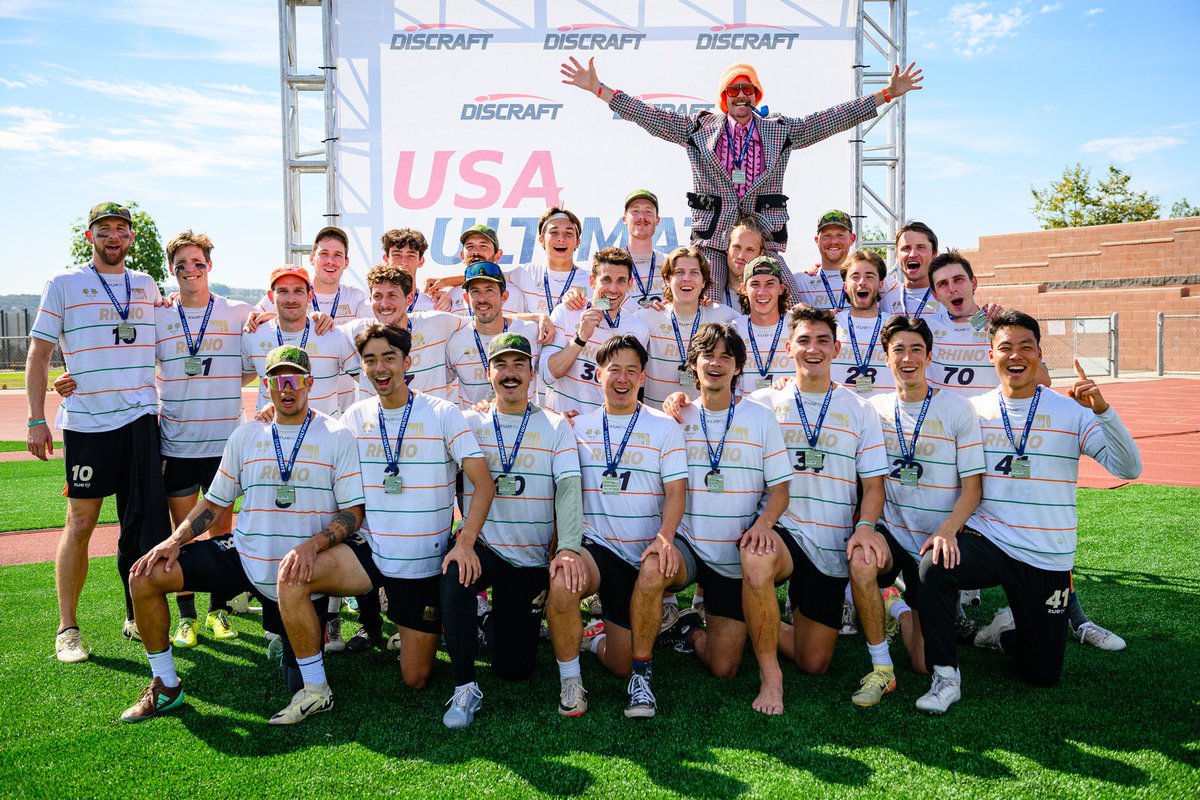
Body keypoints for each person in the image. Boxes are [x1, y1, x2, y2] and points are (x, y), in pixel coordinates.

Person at [117, 345, 366, 722]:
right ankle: (166, 686)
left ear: (310, 383)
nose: (287, 387)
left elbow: (353, 513)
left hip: (299, 572)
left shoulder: (337, 435)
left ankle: (304, 668)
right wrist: (174, 540)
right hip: (245, 556)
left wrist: (313, 546)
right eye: (278, 379)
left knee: (296, 677)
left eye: (295, 378)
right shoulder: (245, 436)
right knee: (144, 575)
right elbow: (214, 504)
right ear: (265, 385)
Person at [915, 311, 1142, 713]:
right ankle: (946, 676)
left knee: (1042, 674)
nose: (1014, 355)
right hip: (988, 538)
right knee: (935, 565)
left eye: (1024, 347)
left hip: (1044, 553)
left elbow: (1128, 469)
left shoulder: (1072, 412)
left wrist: (1103, 410)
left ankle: (1003, 631)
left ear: (1039, 353)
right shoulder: (973, 411)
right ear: (990, 355)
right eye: (1005, 347)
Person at [267, 324, 492, 723]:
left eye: (389, 357)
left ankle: (430, 623)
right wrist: (277, 412)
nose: (379, 367)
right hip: (368, 552)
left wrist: (465, 541)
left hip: (423, 561)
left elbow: (483, 484)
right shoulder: (354, 417)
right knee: (294, 575)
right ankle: (316, 687)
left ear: (407, 362)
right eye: (370, 359)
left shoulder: (442, 413)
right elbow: (311, 428)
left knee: (416, 678)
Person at [560, 57, 923, 302]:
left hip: (762, 238)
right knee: (709, 312)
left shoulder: (780, 131)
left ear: (757, 96)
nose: (741, 96)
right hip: (714, 240)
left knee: (794, 307)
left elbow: (830, 120)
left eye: (748, 90)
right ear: (724, 98)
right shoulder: (698, 129)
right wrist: (600, 89)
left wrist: (886, 93)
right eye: (734, 90)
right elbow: (648, 115)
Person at [26, 202, 173, 662]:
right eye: (104, 230)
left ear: (130, 238)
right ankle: (68, 628)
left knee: (142, 525)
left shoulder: (147, 285)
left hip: (141, 419)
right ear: (90, 236)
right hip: (89, 422)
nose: (114, 237)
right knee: (82, 522)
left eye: (121, 230)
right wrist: (36, 417)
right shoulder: (64, 283)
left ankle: (135, 612)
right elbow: (38, 353)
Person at [545, 335, 687, 719]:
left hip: (641, 555)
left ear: (643, 377)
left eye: (631, 371)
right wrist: (565, 546)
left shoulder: (664, 426)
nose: (622, 379)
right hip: (596, 548)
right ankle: (570, 681)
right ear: (598, 375)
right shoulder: (575, 427)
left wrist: (664, 538)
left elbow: (676, 492)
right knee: (562, 579)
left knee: (621, 662)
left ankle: (597, 643)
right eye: (614, 370)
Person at [447, 332, 582, 725]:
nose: (510, 374)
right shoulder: (468, 421)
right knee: (455, 574)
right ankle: (464, 688)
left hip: (530, 558)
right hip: (483, 546)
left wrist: (567, 547)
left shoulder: (556, 426)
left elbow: (569, 490)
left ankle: (488, 619)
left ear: (531, 373)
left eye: (518, 365)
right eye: (501, 365)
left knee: (515, 669)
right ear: (488, 374)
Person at [849, 316, 984, 707]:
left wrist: (947, 530)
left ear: (929, 355)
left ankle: (896, 605)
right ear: (886, 357)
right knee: (861, 559)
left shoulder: (957, 410)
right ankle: (880, 667)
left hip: (934, 539)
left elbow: (973, 489)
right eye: (898, 350)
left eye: (916, 350)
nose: (907, 358)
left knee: (925, 664)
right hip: (892, 532)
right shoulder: (871, 408)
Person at [660, 323, 794, 714]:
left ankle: (692, 629)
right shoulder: (676, 416)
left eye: (726, 357)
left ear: (738, 368)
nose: (716, 363)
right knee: (650, 568)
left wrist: (763, 524)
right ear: (694, 363)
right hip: (688, 545)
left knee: (723, 667)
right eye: (708, 355)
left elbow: (781, 491)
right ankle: (638, 663)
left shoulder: (760, 417)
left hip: (733, 557)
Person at [749, 305, 889, 676]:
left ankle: (749, 613)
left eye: (823, 341)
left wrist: (865, 527)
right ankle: (768, 669)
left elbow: (874, 486)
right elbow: (711, 410)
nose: (814, 349)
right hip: (783, 528)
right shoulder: (763, 403)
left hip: (830, 541)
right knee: (758, 559)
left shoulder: (861, 409)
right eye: (804, 340)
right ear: (788, 348)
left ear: (836, 349)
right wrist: (676, 402)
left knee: (814, 662)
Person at [543, 247, 651, 415]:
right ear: (592, 282)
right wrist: (580, 338)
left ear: (630, 284)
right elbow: (547, 374)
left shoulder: (638, 327)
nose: (613, 289)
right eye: (606, 280)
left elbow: (634, 387)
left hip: (607, 429)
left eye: (621, 281)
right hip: (565, 423)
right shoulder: (566, 312)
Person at [242, 265, 361, 418]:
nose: (291, 299)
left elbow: (366, 381)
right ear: (271, 296)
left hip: (324, 436)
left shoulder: (333, 335)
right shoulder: (253, 335)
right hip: (273, 435)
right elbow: (243, 376)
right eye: (283, 291)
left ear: (310, 295)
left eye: (298, 291)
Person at [635, 245, 737, 408]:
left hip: (703, 421)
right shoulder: (648, 317)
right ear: (667, 280)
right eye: (679, 272)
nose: (686, 278)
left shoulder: (724, 317)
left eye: (694, 273)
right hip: (658, 421)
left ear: (704, 281)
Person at [447, 262, 541, 409]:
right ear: (466, 299)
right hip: (474, 430)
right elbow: (441, 385)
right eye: (475, 291)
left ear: (504, 297)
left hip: (526, 429)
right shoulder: (455, 341)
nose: (482, 299)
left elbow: (553, 376)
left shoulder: (531, 332)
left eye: (489, 290)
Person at [926, 250, 1002, 397]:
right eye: (942, 284)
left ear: (973, 283)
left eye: (958, 279)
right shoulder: (926, 328)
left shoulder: (997, 324)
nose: (952, 288)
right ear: (935, 295)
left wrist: (1007, 327)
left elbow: (1043, 380)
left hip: (988, 418)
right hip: (946, 418)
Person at [506, 208, 592, 317]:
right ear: (542, 240)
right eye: (554, 232)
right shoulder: (527, 273)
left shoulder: (591, 280)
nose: (561, 238)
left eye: (568, 233)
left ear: (577, 242)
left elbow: (609, 306)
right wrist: (537, 318)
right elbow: (488, 278)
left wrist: (588, 303)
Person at [831, 249, 893, 398]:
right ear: (845, 286)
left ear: (880, 285)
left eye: (869, 276)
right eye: (855, 276)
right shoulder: (830, 324)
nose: (862, 282)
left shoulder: (896, 326)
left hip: (885, 417)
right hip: (841, 416)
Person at [732, 256, 794, 395]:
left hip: (790, 414)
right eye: (755, 284)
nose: (762, 292)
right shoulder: (734, 329)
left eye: (770, 284)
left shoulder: (799, 326)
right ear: (743, 289)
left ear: (781, 288)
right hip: (746, 414)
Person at [793, 210, 856, 310]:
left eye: (840, 235)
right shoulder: (799, 282)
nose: (834, 241)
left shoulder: (867, 279)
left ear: (852, 239)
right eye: (827, 235)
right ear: (817, 240)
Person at [881, 221, 942, 321]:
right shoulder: (884, 298)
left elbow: (976, 323)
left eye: (921, 247)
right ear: (896, 255)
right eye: (906, 248)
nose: (913, 254)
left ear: (934, 254)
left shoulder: (949, 295)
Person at [381, 227, 450, 313]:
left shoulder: (436, 306)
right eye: (397, 255)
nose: (403, 262)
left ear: (421, 261)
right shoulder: (368, 307)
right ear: (386, 259)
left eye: (410, 256)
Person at [621, 189, 669, 306]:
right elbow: (598, 302)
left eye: (648, 211)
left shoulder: (669, 263)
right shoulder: (609, 264)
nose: (642, 217)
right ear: (625, 219)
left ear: (657, 220)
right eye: (635, 211)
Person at [719, 216, 770, 308]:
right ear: (727, 247)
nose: (741, 256)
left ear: (761, 254)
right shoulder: (710, 296)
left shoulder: (769, 297)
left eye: (750, 250)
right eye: (737, 247)